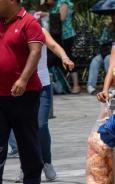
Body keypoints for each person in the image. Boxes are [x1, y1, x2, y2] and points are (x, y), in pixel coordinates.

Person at [12, 28, 75, 182]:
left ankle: (46, 162)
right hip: (19, 86)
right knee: (23, 128)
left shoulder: (37, 29)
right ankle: (25, 166)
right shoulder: (8, 30)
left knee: (41, 125)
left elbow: (54, 46)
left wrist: (64, 57)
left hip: (42, 85)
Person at [0, 0, 45, 183]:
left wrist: (23, 79)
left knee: (28, 145)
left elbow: (35, 52)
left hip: (24, 96)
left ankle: (32, 180)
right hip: (0, 97)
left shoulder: (29, 22)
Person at [44, 0, 80, 94]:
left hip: (67, 35)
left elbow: (62, 17)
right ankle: (62, 83)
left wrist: (45, 14)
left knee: (69, 58)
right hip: (56, 36)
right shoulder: (52, 5)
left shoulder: (63, 3)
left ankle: (76, 85)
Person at [87, 12, 115, 94]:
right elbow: (102, 41)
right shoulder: (108, 28)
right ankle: (91, 86)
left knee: (108, 59)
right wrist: (110, 33)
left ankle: (112, 85)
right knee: (95, 60)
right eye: (113, 18)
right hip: (105, 51)